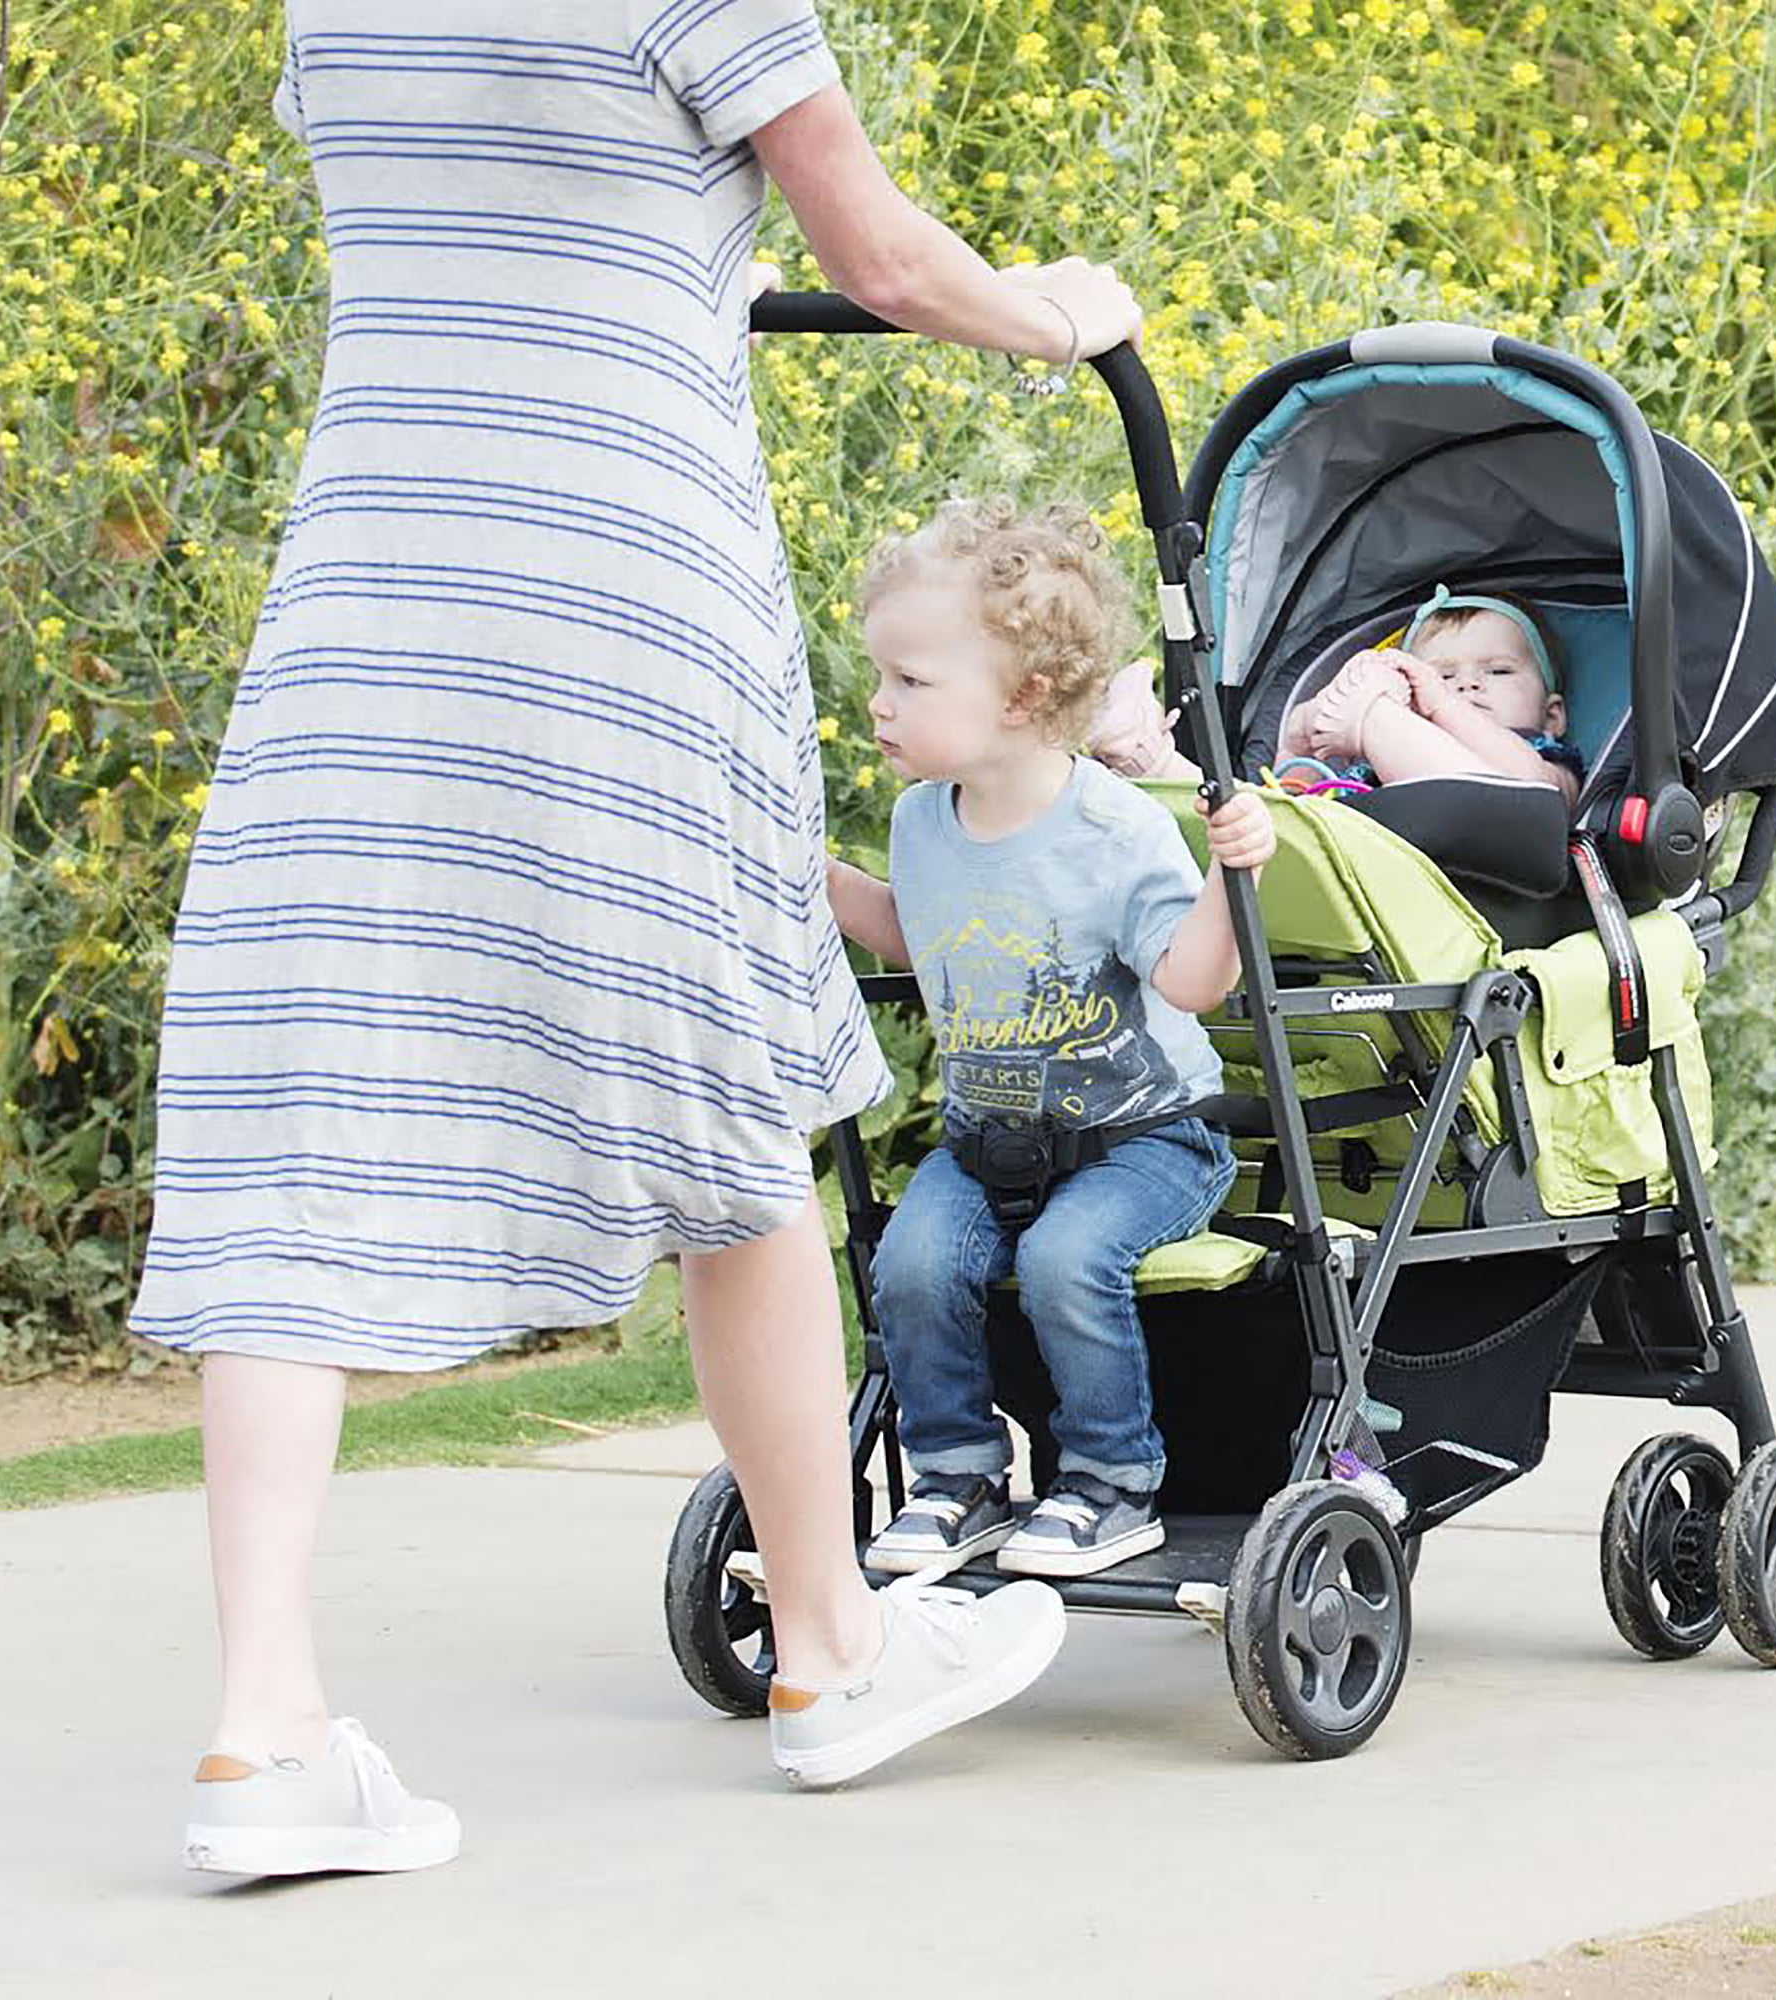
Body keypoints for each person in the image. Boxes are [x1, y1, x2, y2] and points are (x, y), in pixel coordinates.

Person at [147, 2, 1148, 1873]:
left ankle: (260, 1735)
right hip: (620, 592)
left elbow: (462, 211)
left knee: (296, 1107)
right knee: (728, 1083)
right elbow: (880, 258)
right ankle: (834, 1649)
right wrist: (1056, 314)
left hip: (369, 594)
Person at [826, 499, 1276, 1581]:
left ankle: (1112, 1481)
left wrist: (1232, 875)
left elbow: (1192, 981)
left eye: (910, 682)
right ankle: (957, 1475)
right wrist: (811, 874)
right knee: (910, 1263)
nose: (878, 704)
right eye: (882, 676)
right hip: (989, 1140)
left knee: (1066, 1259)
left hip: (1146, 1139)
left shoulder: (1113, 829)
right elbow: (919, 936)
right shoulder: (922, 819)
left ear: (1023, 696)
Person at [1092, 587, 1583, 807]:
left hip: (1481, 840)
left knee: (1514, 802)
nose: (1468, 686)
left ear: (1553, 715)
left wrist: (1439, 703)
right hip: (1347, 850)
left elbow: (1528, 790)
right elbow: (1299, 800)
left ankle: (1370, 714)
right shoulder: (1372, 766)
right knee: (1258, 815)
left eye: (1498, 671)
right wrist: (1303, 742)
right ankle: (1149, 758)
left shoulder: (1545, 763)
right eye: (1442, 675)